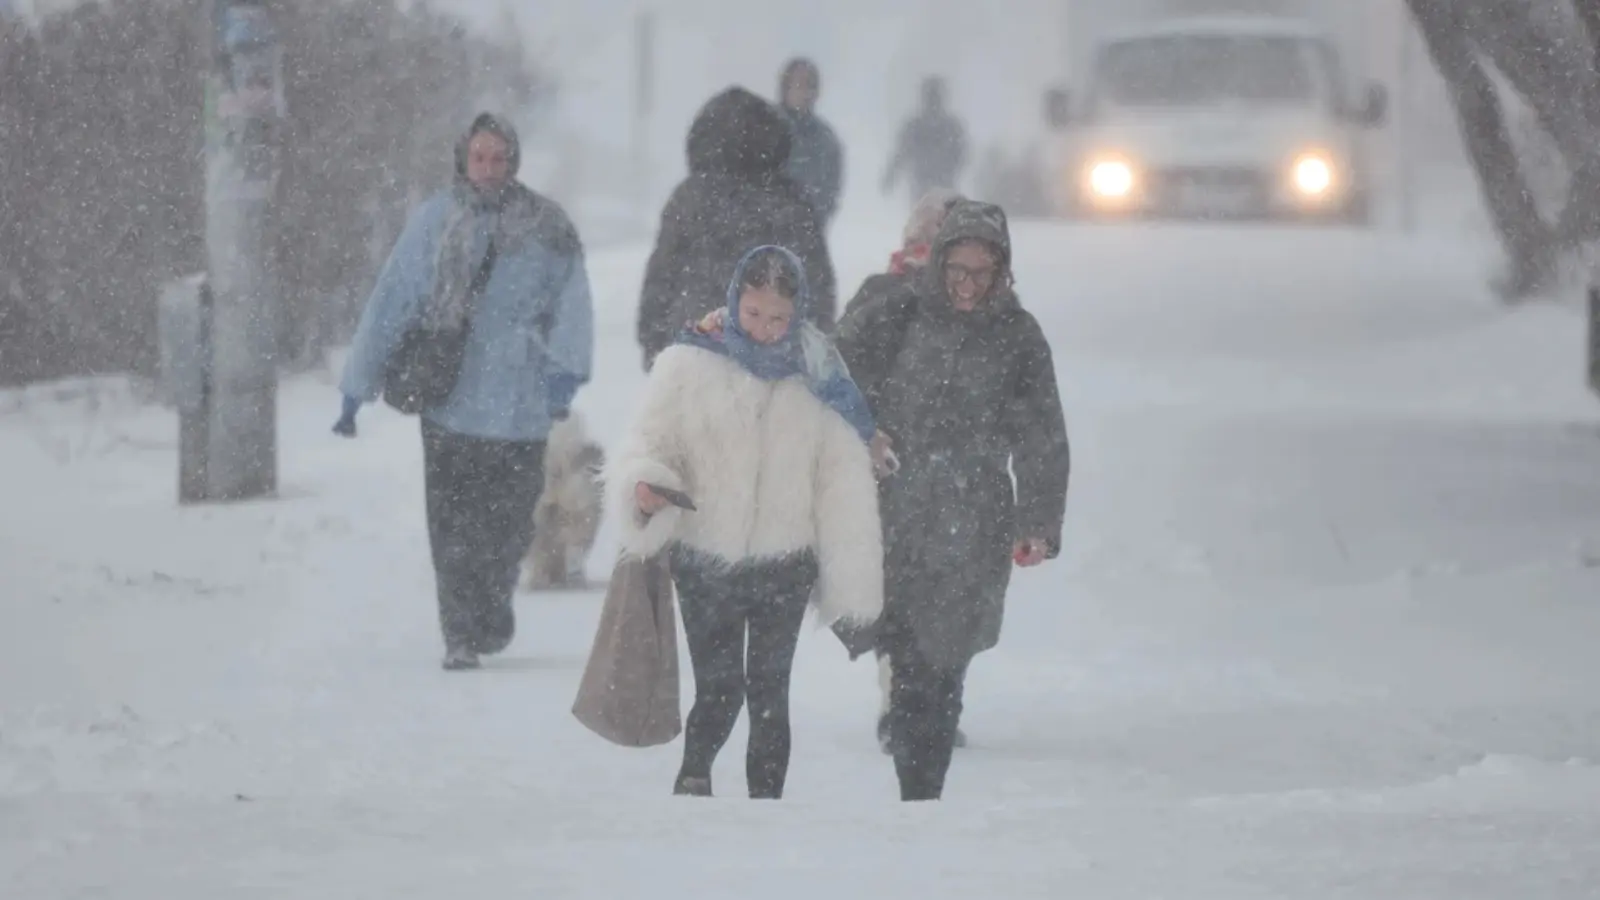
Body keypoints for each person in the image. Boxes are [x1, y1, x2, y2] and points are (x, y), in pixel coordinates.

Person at [607, 245, 884, 800]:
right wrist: (643, 481)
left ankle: (766, 804)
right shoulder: (689, 363)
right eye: (754, 314)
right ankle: (694, 779)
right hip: (705, 556)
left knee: (769, 690)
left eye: (779, 318)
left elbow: (839, 476)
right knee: (718, 686)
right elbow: (648, 441)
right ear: (734, 300)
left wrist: (849, 571)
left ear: (798, 312)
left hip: (785, 561)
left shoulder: (819, 375)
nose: (764, 330)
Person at [334, 112, 594, 671]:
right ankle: (458, 631)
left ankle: (492, 605)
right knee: (451, 526)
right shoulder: (435, 222)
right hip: (450, 402)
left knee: (508, 526)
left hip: (521, 406)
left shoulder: (548, 227)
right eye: (479, 158)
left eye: (499, 158)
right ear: (462, 160)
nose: (489, 169)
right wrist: (357, 385)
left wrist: (564, 374)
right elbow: (393, 300)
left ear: (514, 161)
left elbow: (572, 303)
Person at [835, 199, 1070, 802]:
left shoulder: (1017, 337)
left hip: (978, 517)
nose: (966, 287)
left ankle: (925, 783)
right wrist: (865, 433)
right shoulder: (896, 313)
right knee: (910, 657)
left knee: (949, 658)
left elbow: (1042, 434)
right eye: (956, 271)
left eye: (980, 274)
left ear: (1001, 273)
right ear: (938, 264)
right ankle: (918, 786)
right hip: (899, 511)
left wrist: (1038, 521)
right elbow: (833, 379)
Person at [636, 86, 837, 370]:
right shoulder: (790, 200)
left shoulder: (690, 198)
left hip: (696, 349)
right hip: (773, 355)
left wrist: (654, 345)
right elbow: (816, 283)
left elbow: (661, 277)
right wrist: (813, 348)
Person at [777, 57, 845, 227]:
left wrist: (812, 220)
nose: (805, 92)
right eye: (799, 84)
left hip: (808, 236)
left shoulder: (825, 139)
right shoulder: (765, 127)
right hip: (764, 235)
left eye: (810, 85)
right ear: (786, 88)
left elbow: (830, 190)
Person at [882, 76, 968, 207]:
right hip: (936, 186)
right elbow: (962, 154)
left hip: (928, 186)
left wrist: (891, 175)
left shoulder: (917, 126)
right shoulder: (949, 126)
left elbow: (901, 153)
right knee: (940, 220)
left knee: (925, 222)